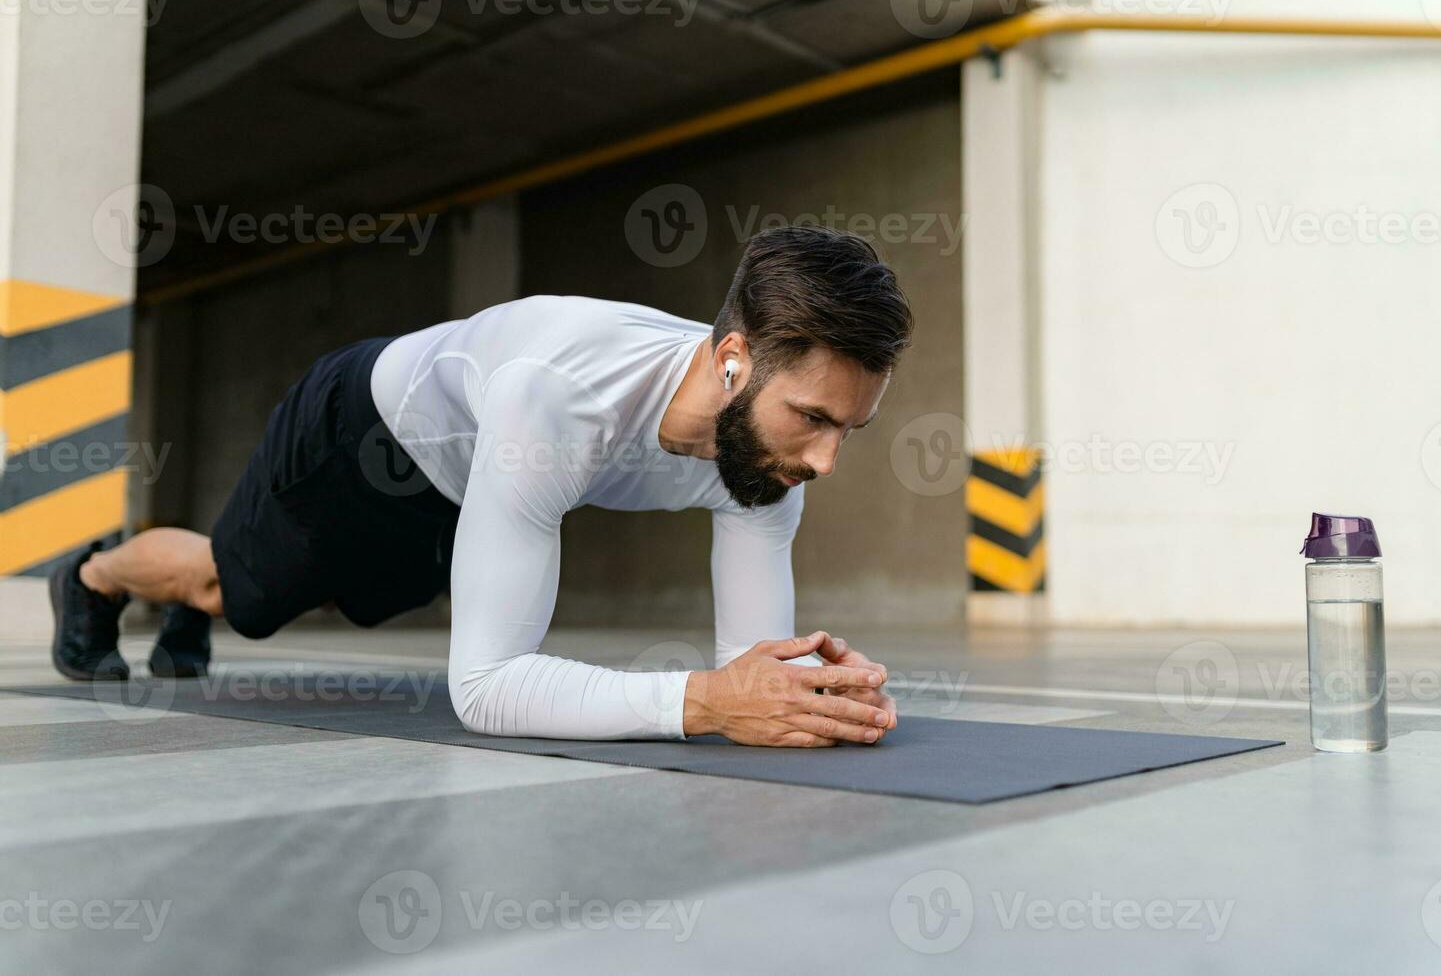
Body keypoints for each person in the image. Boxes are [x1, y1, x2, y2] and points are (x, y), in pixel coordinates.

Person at [50, 226, 913, 746]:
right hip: (361, 432)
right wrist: (705, 704)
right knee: (239, 591)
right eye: (813, 419)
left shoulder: (766, 454)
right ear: (734, 363)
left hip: (463, 479)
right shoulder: (560, 396)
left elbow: (746, 673)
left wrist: (809, 692)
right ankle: (93, 577)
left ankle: (186, 607)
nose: (827, 460)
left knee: (355, 599)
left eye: (848, 428)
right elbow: (487, 689)